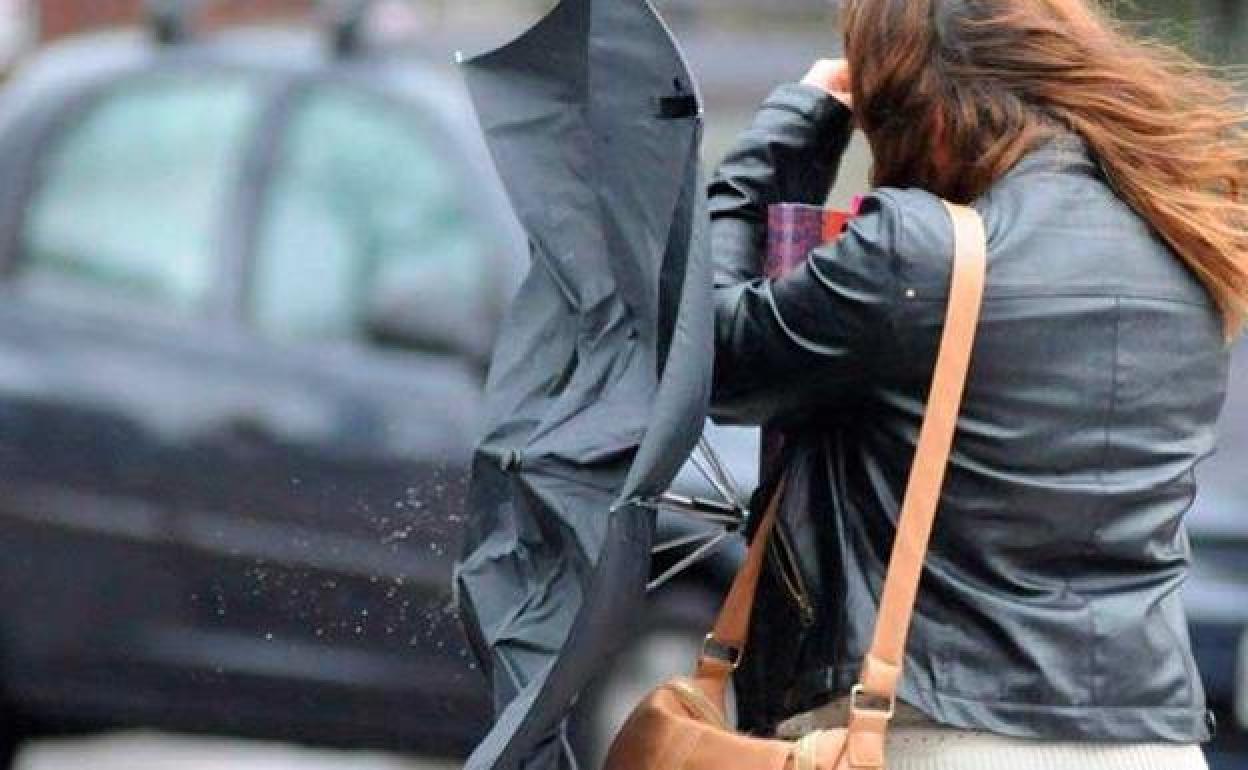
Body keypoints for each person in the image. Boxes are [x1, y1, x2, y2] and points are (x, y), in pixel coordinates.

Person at [707, 0, 1247, 768]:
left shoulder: (917, 254)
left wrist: (793, 127)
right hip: (1149, 741)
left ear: (918, 107)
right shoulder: (1185, 247)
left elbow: (716, 356)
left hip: (944, 735)